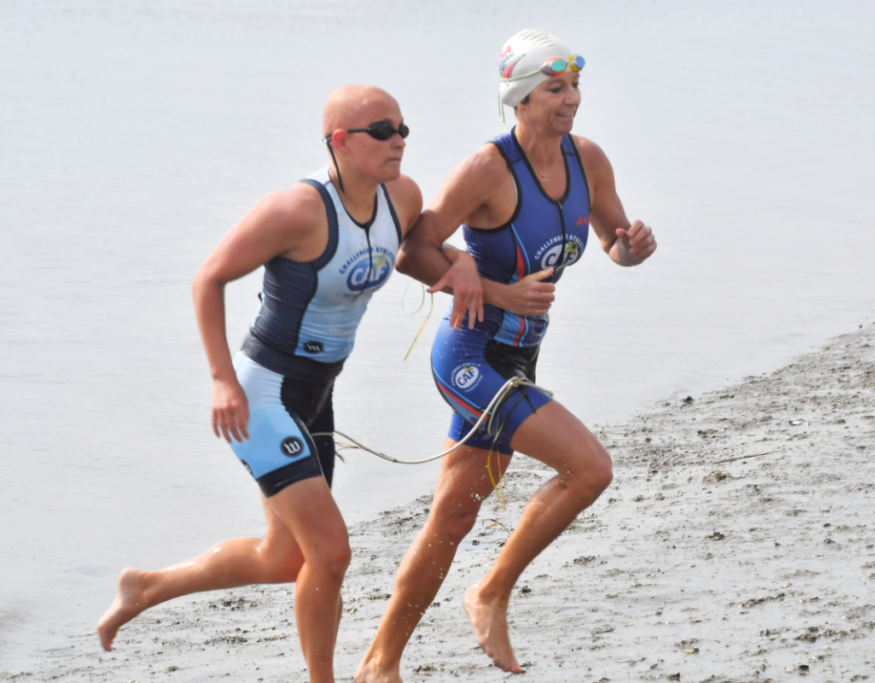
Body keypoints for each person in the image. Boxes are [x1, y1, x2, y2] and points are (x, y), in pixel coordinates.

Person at [355, 29, 657, 682]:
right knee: (590, 468)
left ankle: (378, 665)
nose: (570, 100)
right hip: (470, 355)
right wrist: (493, 289)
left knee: (454, 516)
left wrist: (632, 247)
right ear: (520, 99)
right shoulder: (488, 169)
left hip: (520, 359)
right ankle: (490, 592)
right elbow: (413, 251)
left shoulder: (589, 161)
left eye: (574, 87)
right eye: (555, 89)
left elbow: (611, 241)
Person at [97, 85, 423, 683]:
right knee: (330, 552)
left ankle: (147, 585)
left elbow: (415, 253)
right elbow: (208, 278)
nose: (398, 140)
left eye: (403, 127)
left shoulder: (401, 197)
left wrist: (471, 277)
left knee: (285, 558)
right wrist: (222, 380)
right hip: (263, 395)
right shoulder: (296, 211)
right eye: (382, 130)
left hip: (318, 392)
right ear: (341, 142)